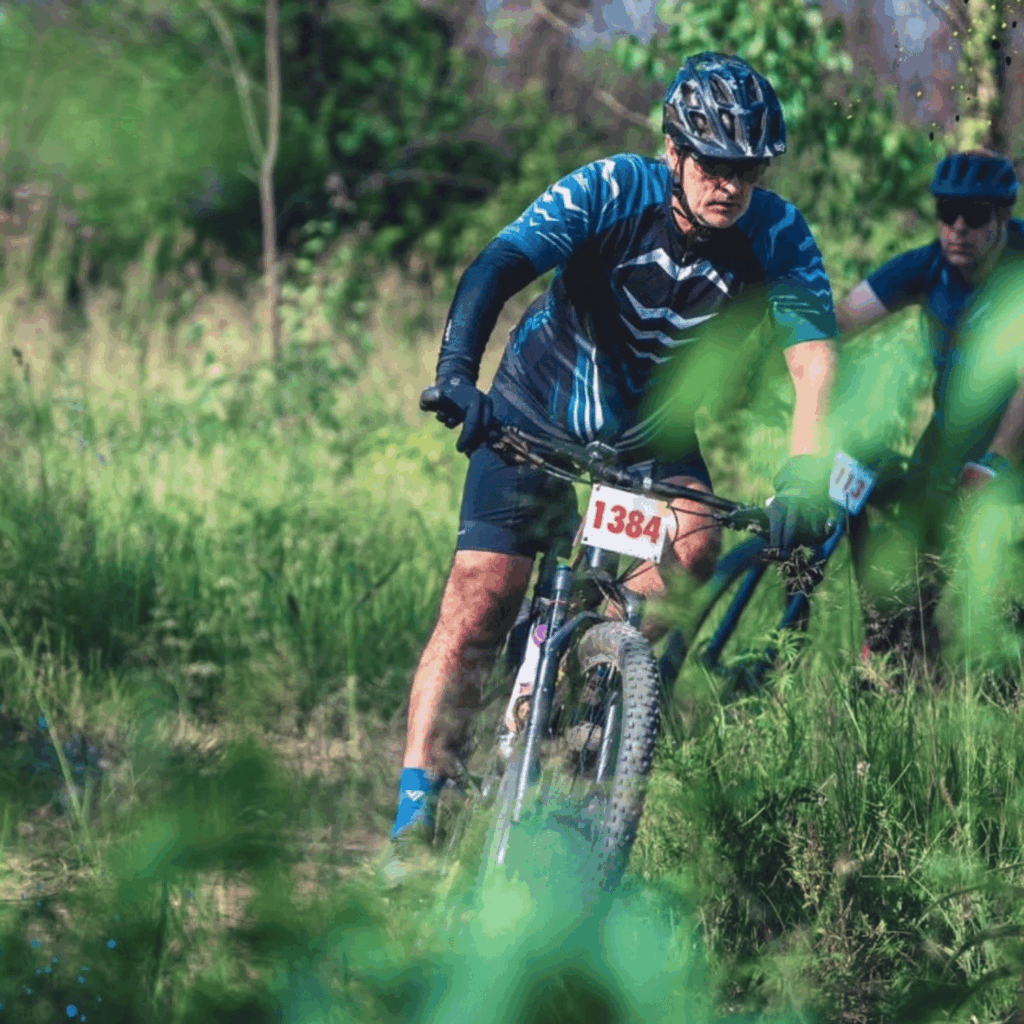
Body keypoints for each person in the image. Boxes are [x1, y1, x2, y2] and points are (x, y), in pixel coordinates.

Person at [386, 52, 840, 864]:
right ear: (674, 150)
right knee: (483, 595)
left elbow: (813, 360)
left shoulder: (777, 235)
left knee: (697, 541)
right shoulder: (610, 188)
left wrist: (804, 474)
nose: (728, 183)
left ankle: (595, 702)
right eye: (711, 160)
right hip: (536, 407)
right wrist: (457, 373)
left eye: (747, 167)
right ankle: (415, 814)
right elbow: (499, 265)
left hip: (651, 437)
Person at [835, 149, 1024, 663]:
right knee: (908, 546)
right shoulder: (929, 267)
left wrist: (999, 460)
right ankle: (903, 662)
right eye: (946, 213)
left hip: (1016, 434)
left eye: (976, 215)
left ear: (1002, 217)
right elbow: (842, 321)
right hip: (952, 434)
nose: (958, 228)